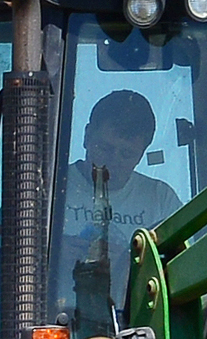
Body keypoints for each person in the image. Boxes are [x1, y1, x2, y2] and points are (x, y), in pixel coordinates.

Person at [63, 87, 183, 324]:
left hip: (139, 329)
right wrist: (51, 255)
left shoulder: (161, 200)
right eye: (104, 148)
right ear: (86, 136)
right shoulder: (49, 189)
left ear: (141, 155)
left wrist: (130, 265)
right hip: (60, 322)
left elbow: (188, 272)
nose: (112, 161)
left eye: (126, 154)